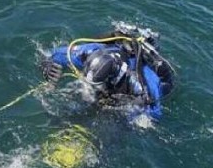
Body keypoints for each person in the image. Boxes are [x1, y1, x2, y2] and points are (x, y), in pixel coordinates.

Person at [38, 24, 175, 121]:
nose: (89, 91)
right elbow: (55, 54)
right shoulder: (87, 52)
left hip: (131, 92)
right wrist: (47, 66)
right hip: (110, 69)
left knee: (112, 123)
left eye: (96, 85)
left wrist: (131, 108)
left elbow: (154, 115)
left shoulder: (144, 82)